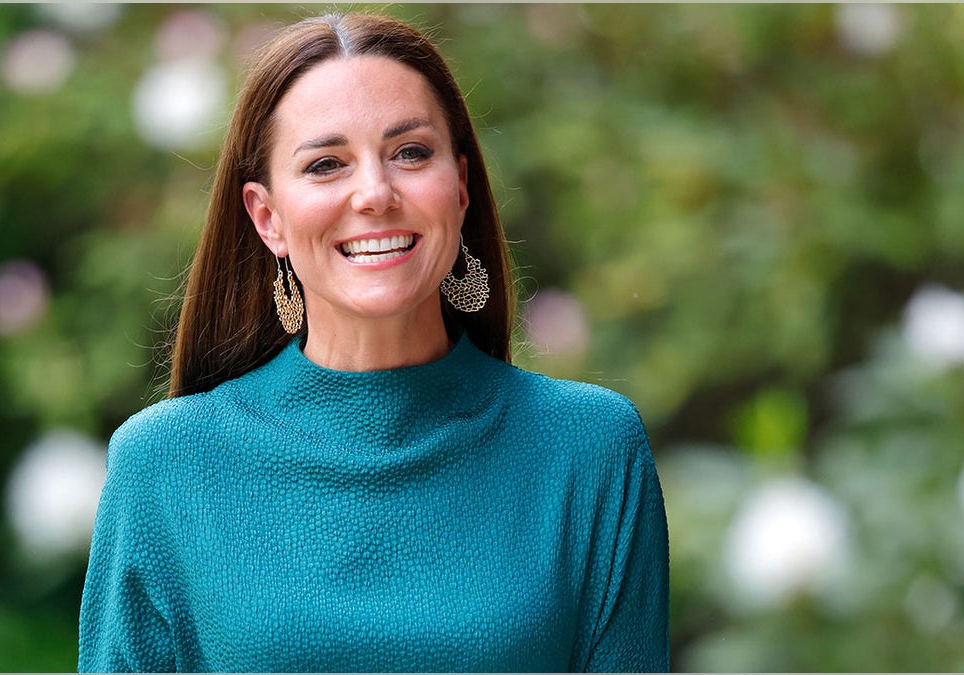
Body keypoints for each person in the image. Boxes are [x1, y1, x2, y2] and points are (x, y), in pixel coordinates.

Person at [79, 11, 669, 673]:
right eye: (327, 164)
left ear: (462, 187)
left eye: (411, 152)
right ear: (267, 217)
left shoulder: (590, 451)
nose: (375, 193)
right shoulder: (164, 465)